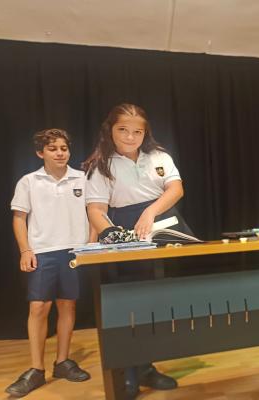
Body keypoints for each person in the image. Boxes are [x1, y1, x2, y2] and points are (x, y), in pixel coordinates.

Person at [84, 103, 192, 398]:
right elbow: (96, 209)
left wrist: (150, 212)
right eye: (123, 130)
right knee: (129, 305)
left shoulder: (159, 156)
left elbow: (176, 189)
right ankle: (128, 370)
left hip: (163, 227)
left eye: (137, 131)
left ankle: (146, 365)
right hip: (125, 231)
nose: (130, 137)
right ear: (110, 130)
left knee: (157, 303)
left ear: (146, 133)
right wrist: (110, 234)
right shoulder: (100, 165)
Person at [7, 129, 91, 397]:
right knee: (39, 307)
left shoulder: (82, 178)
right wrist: (25, 250)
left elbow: (94, 213)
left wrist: (90, 246)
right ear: (40, 152)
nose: (60, 153)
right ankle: (36, 369)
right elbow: (19, 218)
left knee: (67, 305)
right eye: (53, 148)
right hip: (43, 252)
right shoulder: (29, 182)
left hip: (74, 251)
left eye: (64, 148)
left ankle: (62, 362)